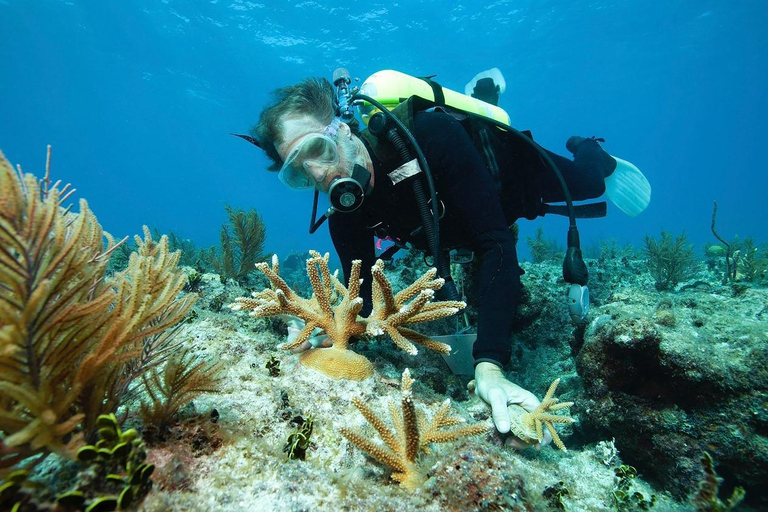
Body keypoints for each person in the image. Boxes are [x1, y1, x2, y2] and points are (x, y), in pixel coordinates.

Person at [248, 71, 644, 449]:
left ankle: (589, 149)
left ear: (343, 130)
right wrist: (335, 330)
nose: (317, 173)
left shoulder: (430, 135)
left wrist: (489, 364)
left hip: (509, 180)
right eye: (298, 173)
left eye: (317, 150)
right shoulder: (346, 215)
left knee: (590, 184)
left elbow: (496, 243)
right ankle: (482, 94)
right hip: (452, 224)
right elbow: (361, 296)